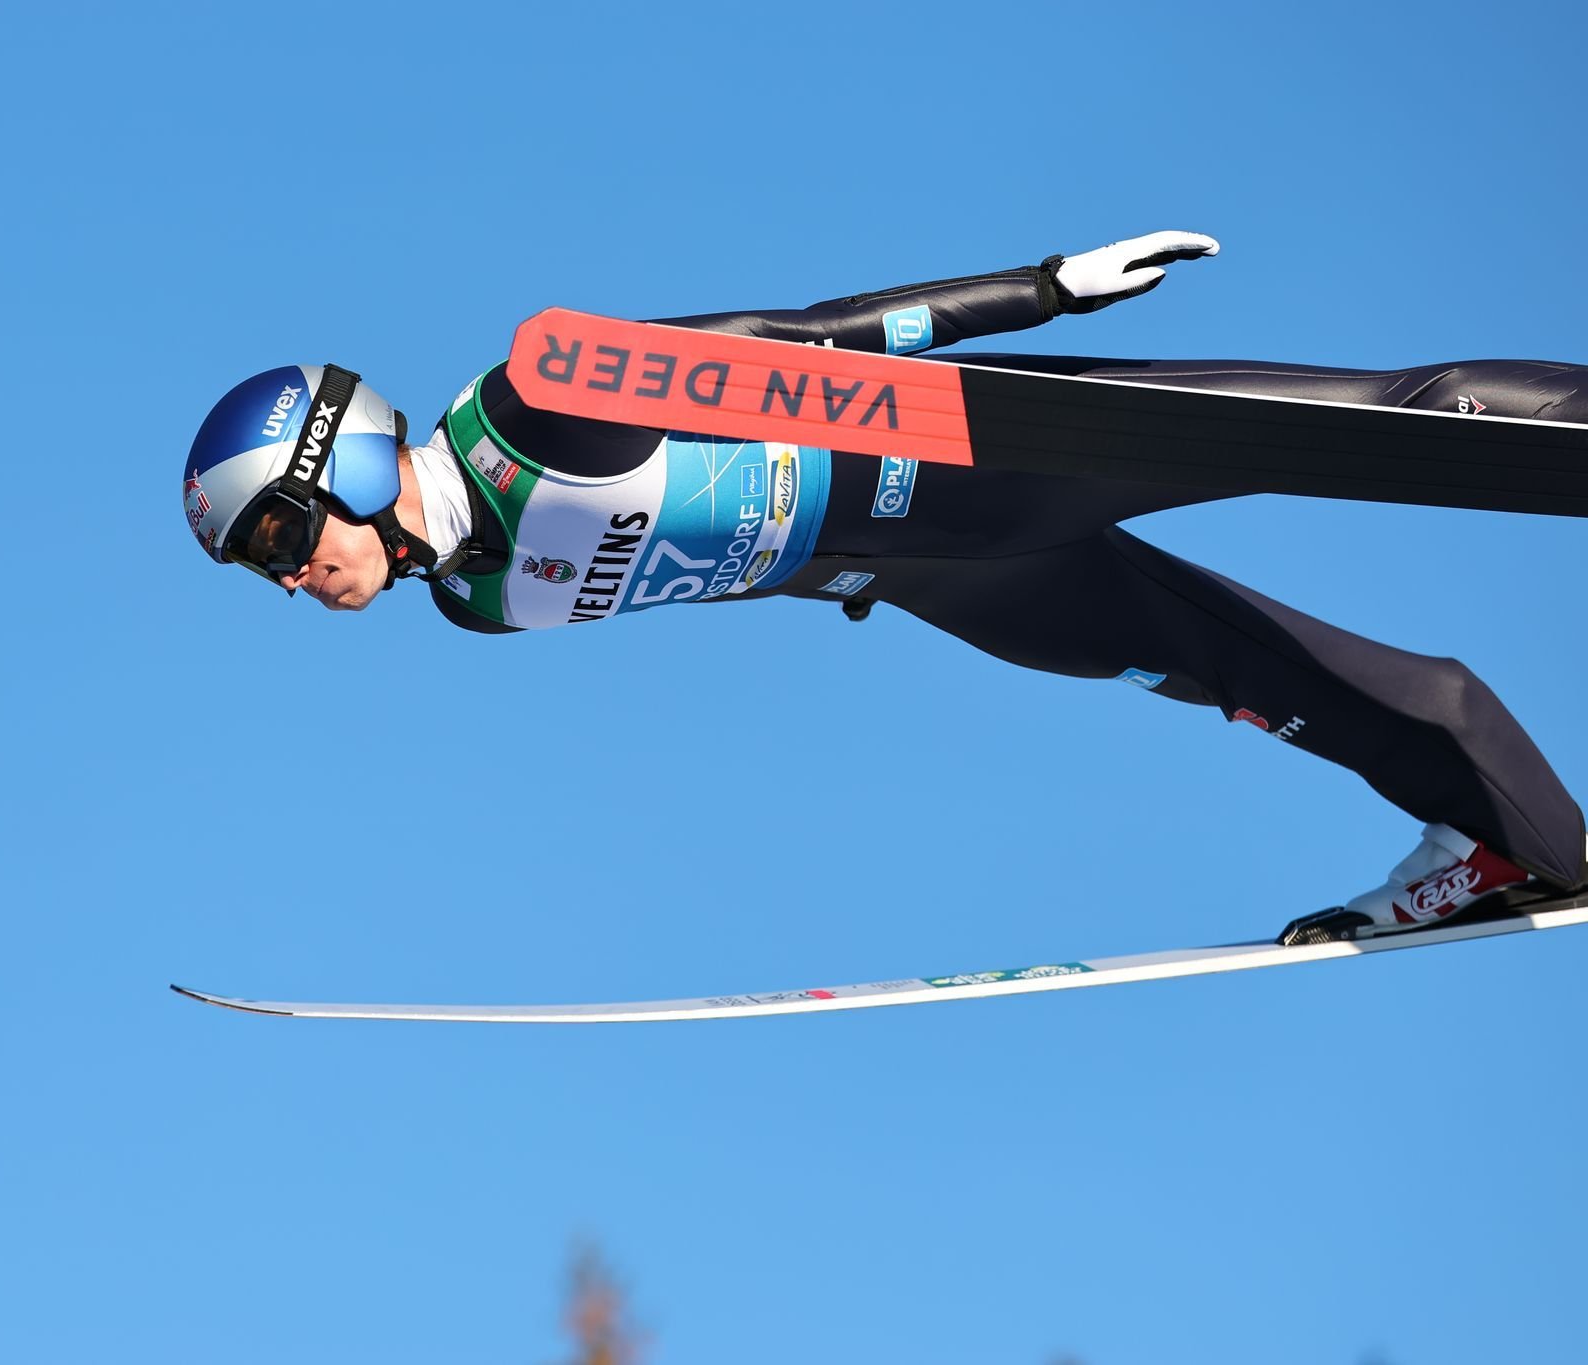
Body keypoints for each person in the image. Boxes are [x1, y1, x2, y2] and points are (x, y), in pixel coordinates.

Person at [181, 231, 1588, 943]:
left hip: (963, 466)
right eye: (263, 563)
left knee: (1369, 414)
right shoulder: (474, 605)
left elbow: (801, 338)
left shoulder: (540, 398)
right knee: (1268, 681)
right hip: (946, 584)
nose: (291, 575)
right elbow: (708, 570)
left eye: (278, 534)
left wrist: (1042, 290)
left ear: (341, 457)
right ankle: (1516, 842)